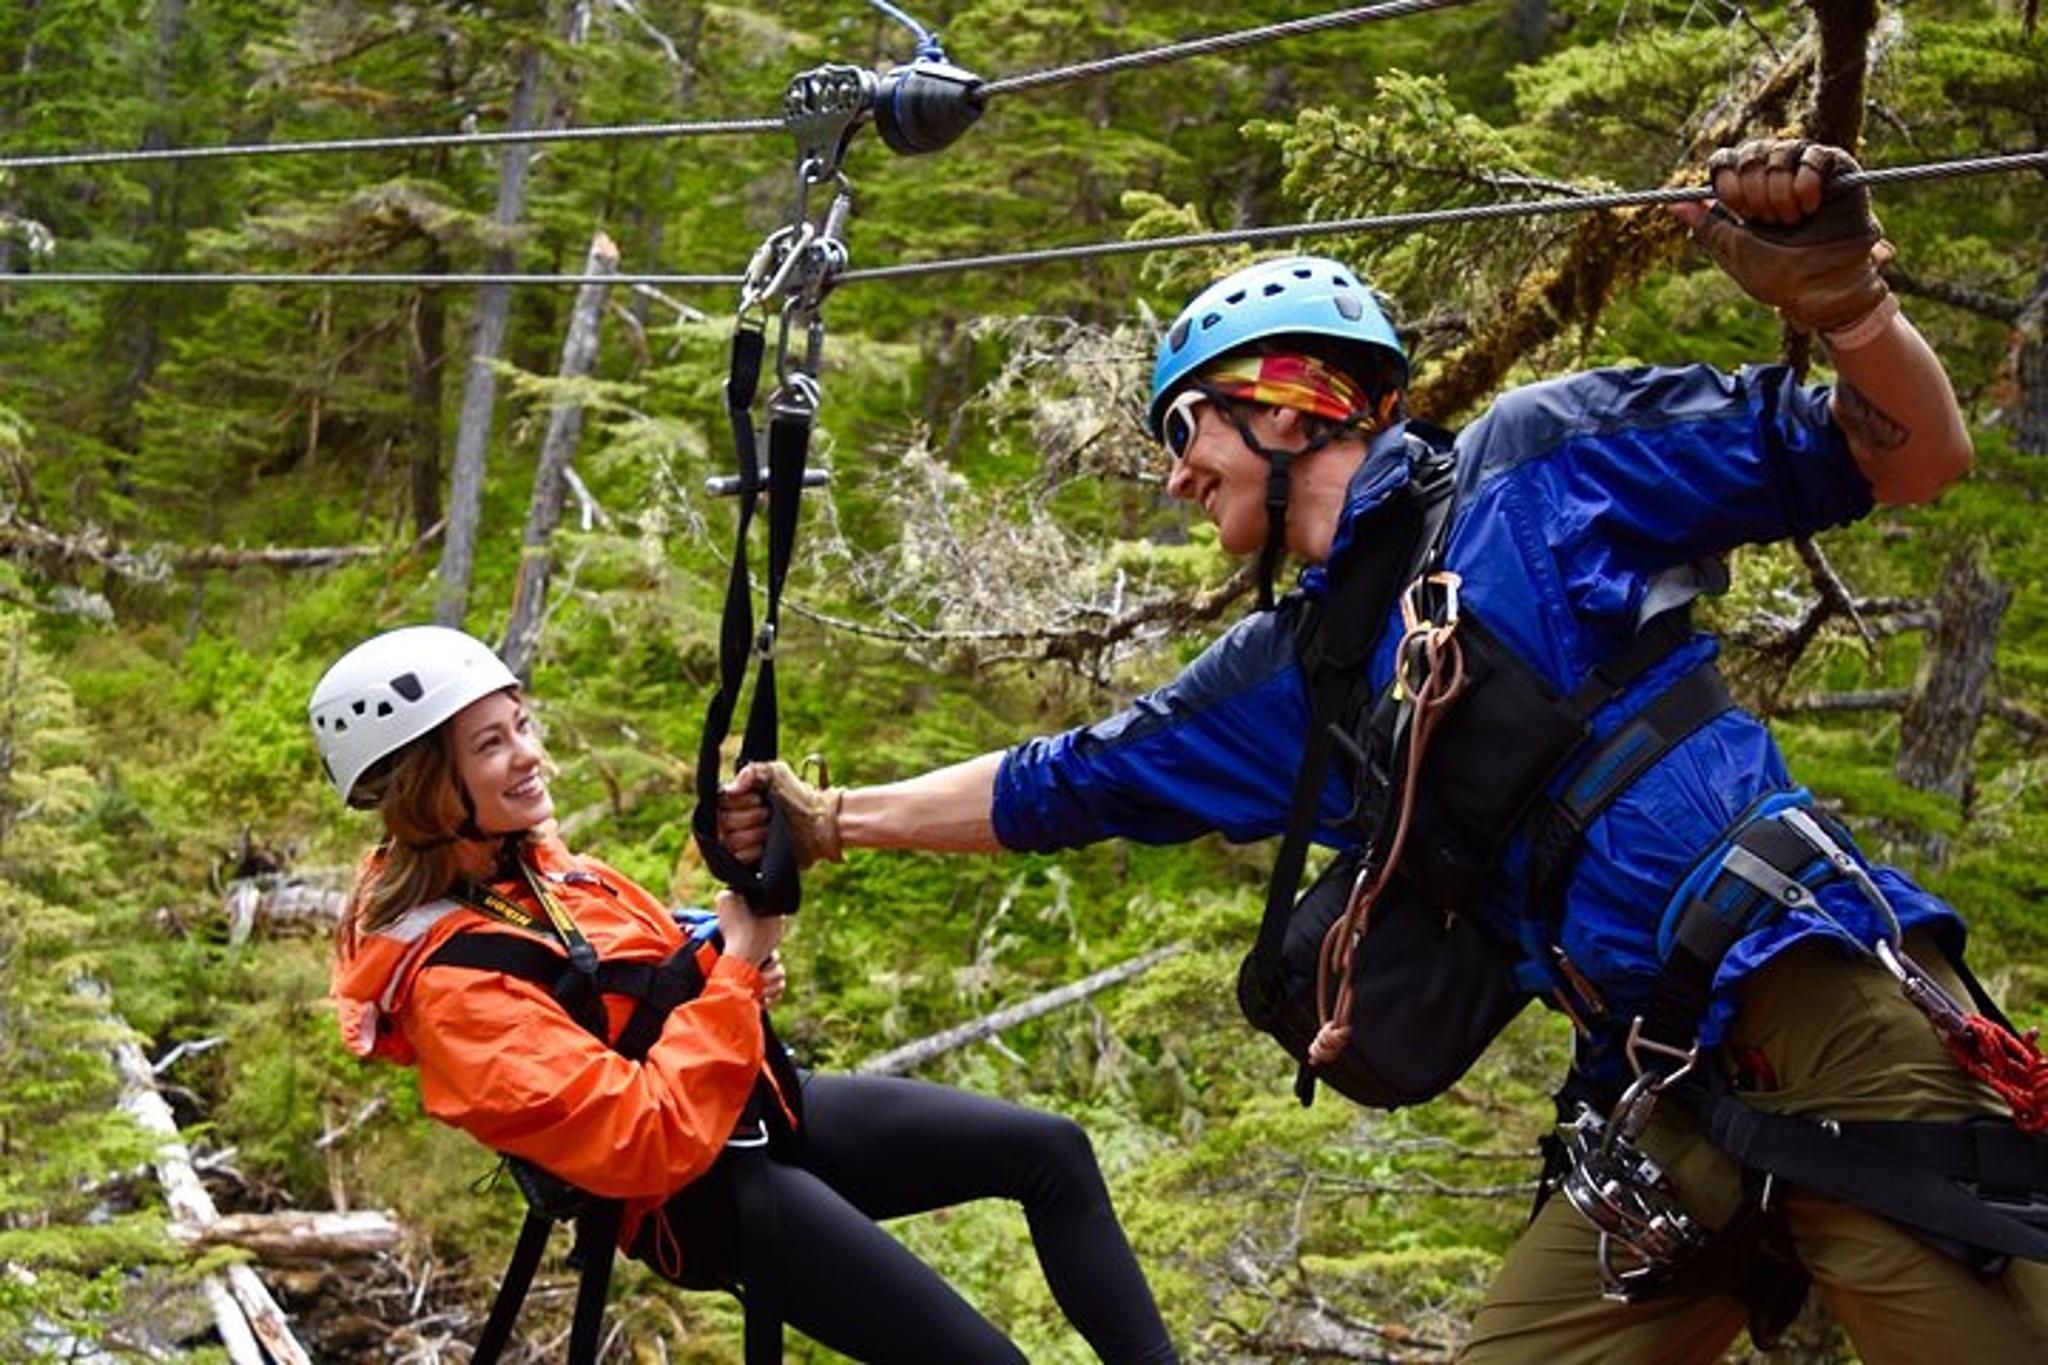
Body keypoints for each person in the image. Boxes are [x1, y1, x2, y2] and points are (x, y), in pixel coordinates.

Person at [719, 140, 2048, 1362]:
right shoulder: (1296, 671)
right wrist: (828, 820)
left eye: (1185, 429)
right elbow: (1068, 782)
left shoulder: (1535, 470)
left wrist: (1848, 312)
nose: (1174, 475)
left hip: (1817, 997)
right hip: (1656, 1096)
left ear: (1290, 406)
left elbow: (1911, 457)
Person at [313, 624, 1179, 1365]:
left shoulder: (522, 863)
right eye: (491, 745)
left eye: (522, 725)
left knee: (1051, 1152)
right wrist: (733, 971)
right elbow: (640, 1132)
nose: (530, 755)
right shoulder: (453, 991)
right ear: (426, 786)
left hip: (755, 1106)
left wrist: (719, 953)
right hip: (702, 1195)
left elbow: (618, 970)